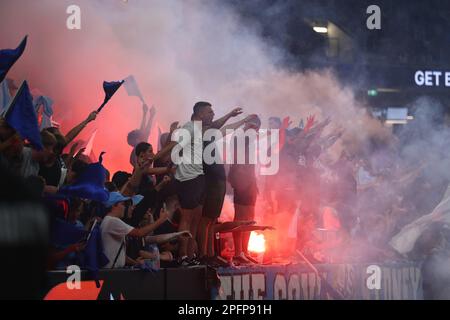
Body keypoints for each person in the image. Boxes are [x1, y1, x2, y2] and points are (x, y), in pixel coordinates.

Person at [154, 101, 243, 266]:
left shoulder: (201, 129)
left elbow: (215, 126)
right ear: (200, 113)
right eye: (210, 112)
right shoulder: (189, 127)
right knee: (188, 218)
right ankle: (183, 256)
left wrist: (230, 115)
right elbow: (175, 145)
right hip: (189, 178)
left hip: (200, 178)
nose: (212, 114)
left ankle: (190, 255)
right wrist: (157, 157)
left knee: (196, 218)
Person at [100, 191, 168, 268]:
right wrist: (161, 220)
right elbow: (139, 233)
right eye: (122, 204)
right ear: (113, 206)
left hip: (113, 271)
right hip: (111, 272)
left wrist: (135, 263)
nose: (125, 207)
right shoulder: (112, 221)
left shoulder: (109, 220)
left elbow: (120, 255)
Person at [228, 116, 262, 265]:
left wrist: (254, 182)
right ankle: (237, 253)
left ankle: (244, 252)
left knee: (249, 218)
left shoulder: (250, 139)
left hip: (250, 182)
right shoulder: (239, 138)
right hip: (241, 181)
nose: (255, 132)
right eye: (253, 128)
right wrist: (240, 180)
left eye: (256, 129)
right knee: (240, 218)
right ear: (248, 125)